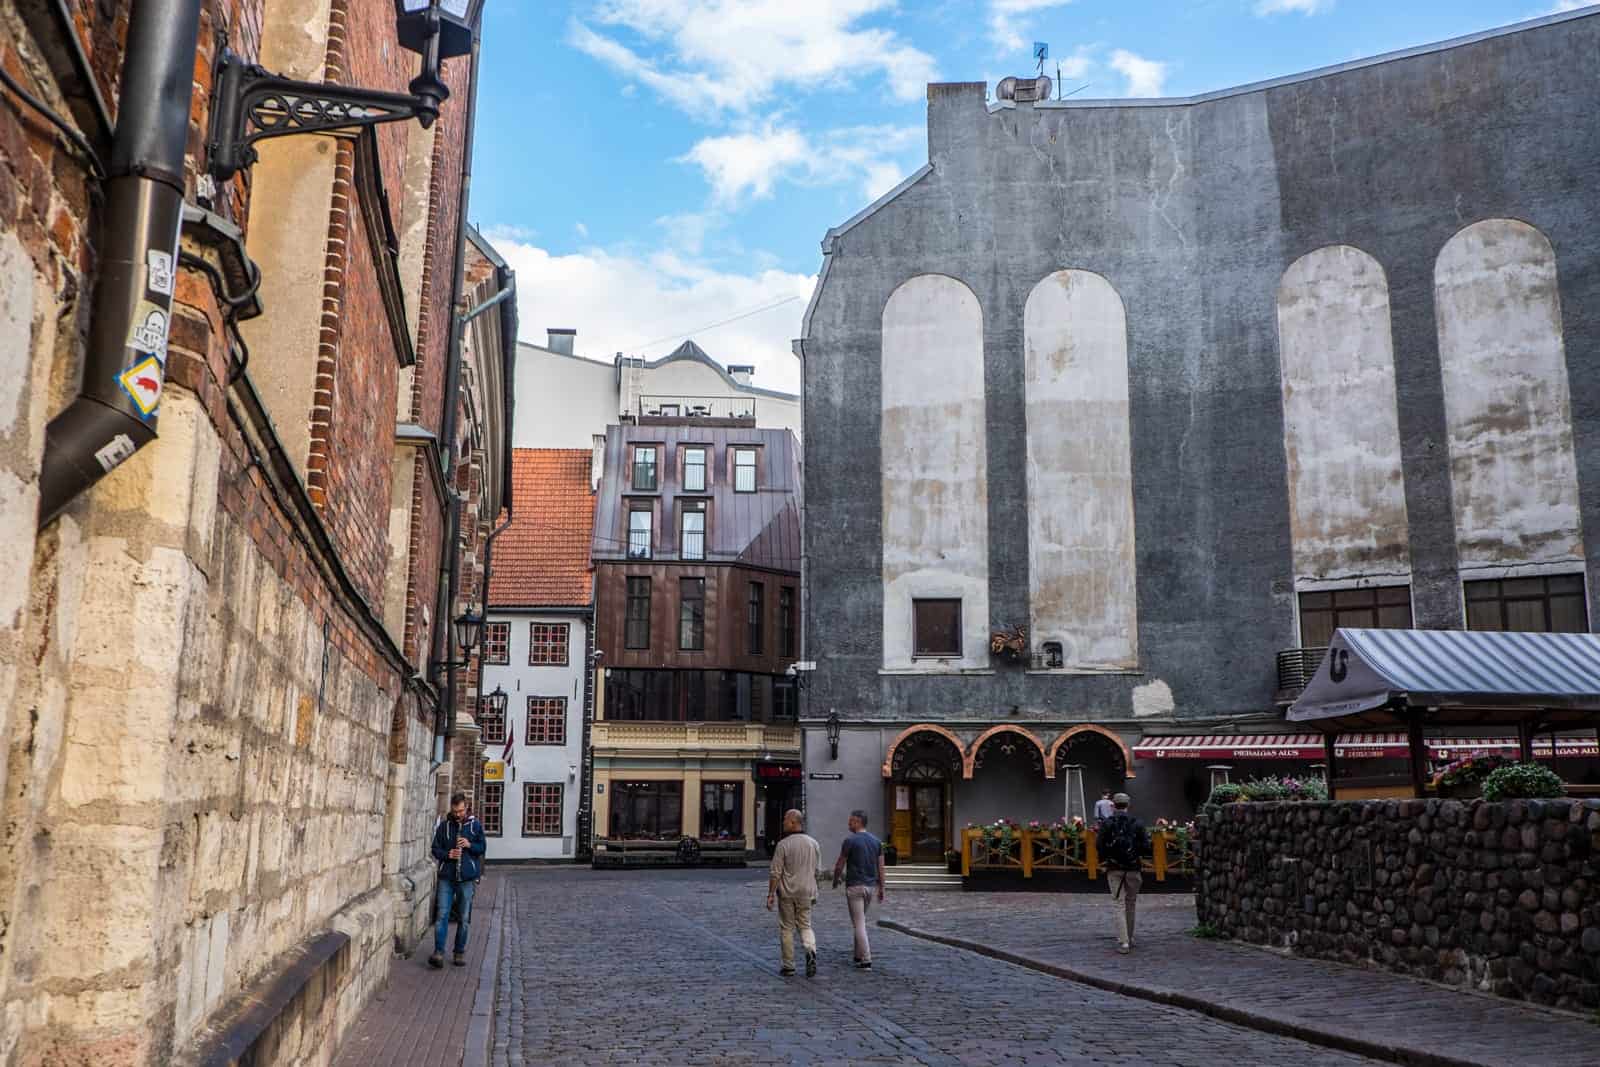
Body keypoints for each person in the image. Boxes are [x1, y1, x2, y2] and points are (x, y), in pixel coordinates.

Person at [429, 792, 487, 969]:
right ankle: (438, 952)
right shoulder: (445, 826)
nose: (458, 815)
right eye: (455, 812)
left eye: (461, 811)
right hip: (447, 876)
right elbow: (435, 849)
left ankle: (459, 952)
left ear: (466, 807)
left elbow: (482, 848)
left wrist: (469, 845)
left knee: (463, 917)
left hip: (466, 878)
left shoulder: (475, 825)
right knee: (442, 915)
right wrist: (448, 854)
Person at [766, 809, 820, 977]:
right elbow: (817, 871)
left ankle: (788, 965)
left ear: (793, 822)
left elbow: (776, 872)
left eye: (785, 820)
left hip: (788, 892)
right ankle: (810, 950)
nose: (783, 822)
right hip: (807, 891)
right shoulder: (813, 843)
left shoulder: (783, 844)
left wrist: (770, 895)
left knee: (787, 928)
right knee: (805, 925)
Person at [831, 809, 885, 969]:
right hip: (870, 886)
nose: (848, 823)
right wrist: (882, 887)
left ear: (858, 822)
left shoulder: (850, 841)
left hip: (855, 886)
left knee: (859, 923)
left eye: (851, 821)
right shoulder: (876, 841)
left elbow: (840, 863)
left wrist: (836, 879)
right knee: (859, 919)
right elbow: (881, 867)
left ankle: (866, 958)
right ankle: (857, 954)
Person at [1097, 792, 1150, 955]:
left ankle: (1124, 941)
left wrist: (1107, 858)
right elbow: (1146, 847)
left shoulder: (1107, 823)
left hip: (1114, 868)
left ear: (1113, 805)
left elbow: (1099, 845)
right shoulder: (1137, 823)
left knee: (1118, 904)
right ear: (1128, 805)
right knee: (1131, 903)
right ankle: (1130, 937)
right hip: (1133, 868)